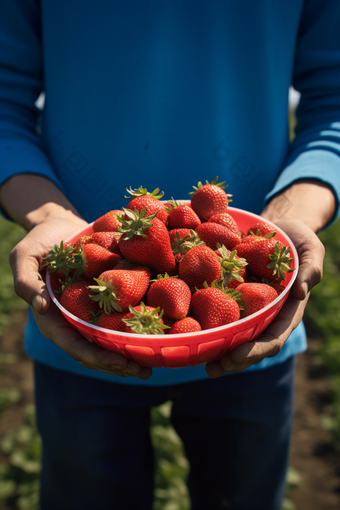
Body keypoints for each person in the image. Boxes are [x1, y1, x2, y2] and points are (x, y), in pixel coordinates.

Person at [0, 1, 339, 509]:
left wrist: (291, 215)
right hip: (85, 320)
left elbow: (333, 97)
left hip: (252, 323)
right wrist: (49, 217)